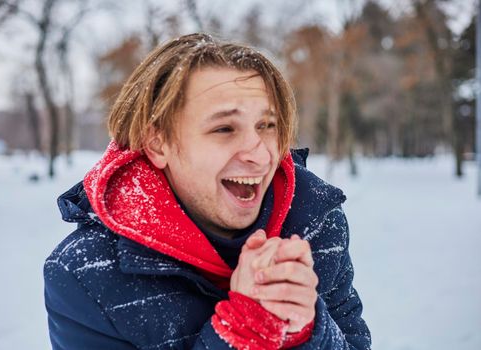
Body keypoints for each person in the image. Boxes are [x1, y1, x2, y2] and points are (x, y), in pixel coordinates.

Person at [44, 33, 371, 350]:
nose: (259, 154)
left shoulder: (314, 224)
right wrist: (245, 329)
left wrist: (304, 330)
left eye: (266, 126)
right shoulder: (86, 277)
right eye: (224, 129)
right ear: (158, 143)